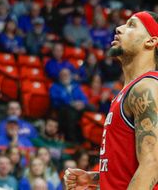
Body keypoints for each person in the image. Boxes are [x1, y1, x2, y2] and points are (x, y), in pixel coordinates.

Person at [65, 11, 158, 189]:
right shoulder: (128, 90)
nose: (119, 28)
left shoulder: (146, 88)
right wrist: (94, 179)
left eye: (131, 25)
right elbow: (129, 166)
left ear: (151, 41)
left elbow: (152, 164)